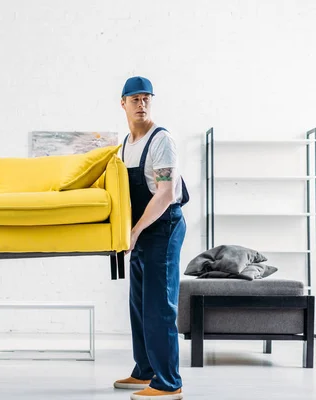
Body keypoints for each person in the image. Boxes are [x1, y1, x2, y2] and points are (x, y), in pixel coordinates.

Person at [112, 77, 189, 400]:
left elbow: (166, 194)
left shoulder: (161, 140)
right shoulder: (125, 145)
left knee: (159, 305)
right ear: (123, 104)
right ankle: (144, 369)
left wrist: (135, 230)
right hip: (143, 228)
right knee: (139, 304)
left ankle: (169, 382)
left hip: (164, 226)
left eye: (146, 99)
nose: (141, 104)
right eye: (135, 99)